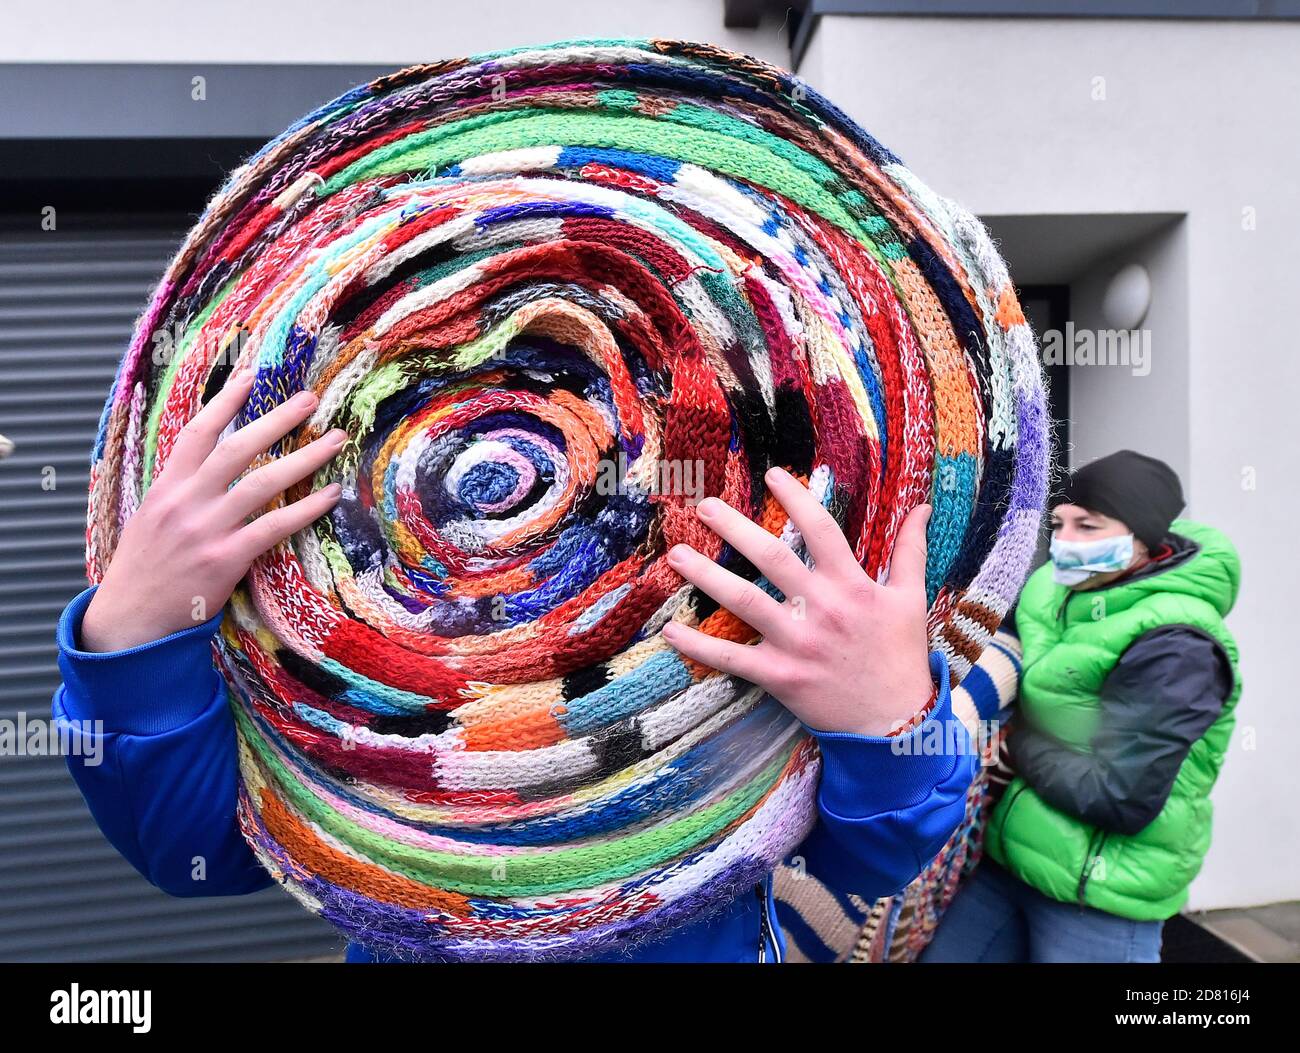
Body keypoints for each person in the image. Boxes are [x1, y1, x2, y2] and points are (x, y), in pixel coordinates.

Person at [52, 370, 978, 963]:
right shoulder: (323, 600)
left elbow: (876, 855)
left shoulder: (768, 575)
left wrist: (890, 715)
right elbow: (197, 851)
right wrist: (134, 632)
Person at [920, 450, 1240, 964]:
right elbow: (996, 645)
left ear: (1146, 542)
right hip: (1012, 861)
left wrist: (1014, 743)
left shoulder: (1179, 648)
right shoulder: (1059, 591)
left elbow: (1119, 797)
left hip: (1101, 895)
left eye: (1088, 526)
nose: (1064, 543)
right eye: (1058, 524)